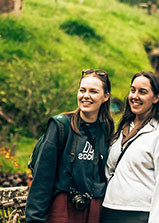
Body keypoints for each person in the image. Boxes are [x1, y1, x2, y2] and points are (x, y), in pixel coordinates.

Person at [25, 69, 114, 223]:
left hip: (94, 210)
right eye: (82, 90)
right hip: (63, 208)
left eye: (93, 91)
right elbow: (42, 179)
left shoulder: (105, 129)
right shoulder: (60, 126)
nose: (86, 96)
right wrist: (34, 219)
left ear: (105, 96)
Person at [101, 71, 159, 223]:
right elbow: (109, 171)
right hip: (110, 210)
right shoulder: (122, 130)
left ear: (156, 98)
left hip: (141, 214)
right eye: (132, 90)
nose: (135, 96)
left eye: (142, 92)